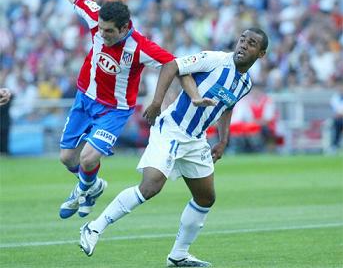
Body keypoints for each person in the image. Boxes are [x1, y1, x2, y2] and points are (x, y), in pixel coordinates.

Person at [79, 28, 268, 267]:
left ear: (261, 54)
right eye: (242, 39)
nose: (243, 45)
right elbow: (172, 66)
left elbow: (226, 106)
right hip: (172, 129)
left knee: (206, 197)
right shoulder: (215, 60)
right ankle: (94, 228)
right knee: (151, 186)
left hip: (196, 139)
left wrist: (223, 140)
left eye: (251, 43)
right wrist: (157, 102)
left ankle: (178, 255)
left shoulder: (245, 83)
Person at [26, 0, 177, 220]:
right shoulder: (96, 17)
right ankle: (91, 186)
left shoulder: (141, 46)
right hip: (85, 97)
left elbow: (174, 63)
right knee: (67, 158)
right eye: (101, 29)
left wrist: (163, 99)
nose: (103, 35)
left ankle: (82, 190)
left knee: (88, 156)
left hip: (115, 109)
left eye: (109, 32)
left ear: (124, 28)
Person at [330, 80, 343, 151]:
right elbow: (336, 111)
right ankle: (335, 145)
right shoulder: (334, 97)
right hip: (338, 119)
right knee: (337, 123)